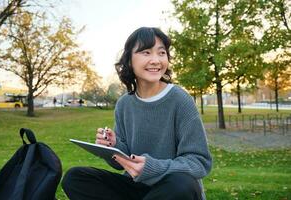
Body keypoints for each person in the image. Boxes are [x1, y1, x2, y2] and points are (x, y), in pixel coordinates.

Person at [62, 27, 212, 200]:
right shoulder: (124, 104)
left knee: (182, 184)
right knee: (75, 177)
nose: (156, 60)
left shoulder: (180, 100)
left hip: (171, 189)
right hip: (135, 187)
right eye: (146, 52)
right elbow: (122, 162)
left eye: (161, 53)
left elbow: (199, 162)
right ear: (129, 60)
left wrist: (151, 167)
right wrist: (114, 145)